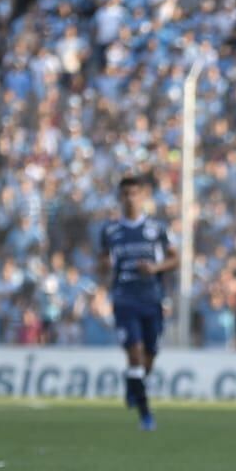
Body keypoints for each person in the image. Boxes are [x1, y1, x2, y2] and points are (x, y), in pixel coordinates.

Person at [97, 175, 178, 431]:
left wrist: (154, 268)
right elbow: (102, 262)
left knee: (150, 355)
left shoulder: (157, 229)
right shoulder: (110, 231)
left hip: (152, 298)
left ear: (143, 196)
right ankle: (145, 414)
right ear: (120, 197)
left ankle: (133, 385)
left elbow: (175, 259)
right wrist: (103, 269)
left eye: (135, 193)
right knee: (134, 352)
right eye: (125, 194)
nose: (130, 198)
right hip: (124, 298)